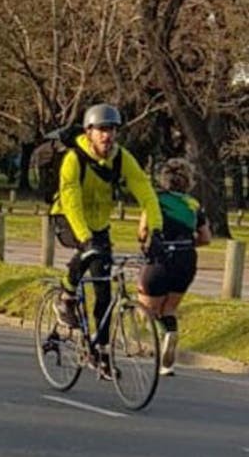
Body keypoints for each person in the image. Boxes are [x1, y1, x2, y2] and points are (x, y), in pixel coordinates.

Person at [50, 103, 162, 376]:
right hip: (67, 218)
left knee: (104, 291)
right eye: (101, 130)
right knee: (89, 254)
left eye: (111, 130)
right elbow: (71, 199)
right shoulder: (74, 159)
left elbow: (145, 190)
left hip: (99, 224)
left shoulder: (121, 158)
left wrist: (156, 230)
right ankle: (65, 295)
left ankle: (100, 353)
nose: (107, 136)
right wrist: (85, 238)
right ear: (89, 132)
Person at [137, 158, 211, 376]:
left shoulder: (155, 200)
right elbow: (205, 237)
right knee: (169, 308)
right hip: (186, 259)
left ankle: (164, 337)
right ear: (188, 181)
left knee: (147, 308)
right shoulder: (193, 204)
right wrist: (187, 243)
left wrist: (144, 243)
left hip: (160, 257)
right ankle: (170, 337)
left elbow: (142, 231)